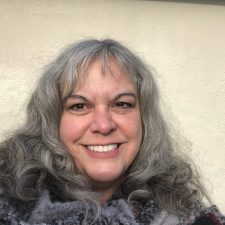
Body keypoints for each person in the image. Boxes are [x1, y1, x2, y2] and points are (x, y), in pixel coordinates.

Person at [0, 39, 224, 225]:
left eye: (122, 104)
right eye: (79, 106)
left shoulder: (188, 215)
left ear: (144, 120)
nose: (104, 125)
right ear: (51, 122)